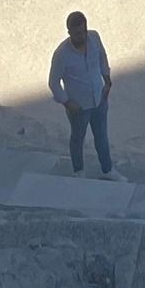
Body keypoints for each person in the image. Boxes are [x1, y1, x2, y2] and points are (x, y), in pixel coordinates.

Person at [48, 10, 113, 177]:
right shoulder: (62, 54)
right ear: (69, 32)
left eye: (84, 31)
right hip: (79, 106)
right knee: (78, 138)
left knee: (102, 137)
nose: (82, 36)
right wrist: (67, 102)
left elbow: (102, 57)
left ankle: (108, 170)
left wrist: (107, 80)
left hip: (98, 99)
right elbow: (53, 83)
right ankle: (79, 171)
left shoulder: (94, 38)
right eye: (78, 33)